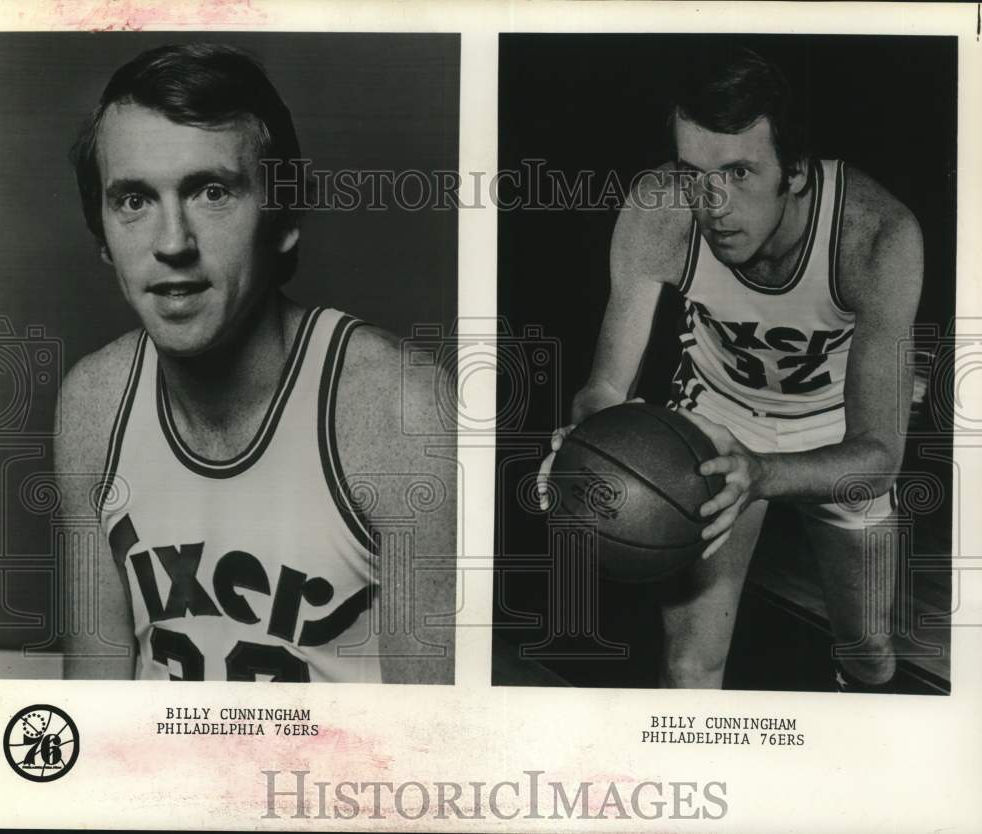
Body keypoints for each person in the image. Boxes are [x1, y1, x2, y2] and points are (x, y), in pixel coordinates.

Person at [55, 43, 455, 683]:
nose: (172, 243)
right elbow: (92, 705)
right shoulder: (93, 403)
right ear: (102, 235)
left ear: (285, 216)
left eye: (212, 192)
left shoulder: (401, 409)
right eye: (134, 200)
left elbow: (438, 744)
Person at [539, 47, 922, 691]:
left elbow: (879, 454)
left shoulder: (876, 237)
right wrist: (584, 447)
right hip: (713, 420)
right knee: (688, 668)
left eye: (739, 172)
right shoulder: (659, 212)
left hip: (839, 435)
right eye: (694, 172)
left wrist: (766, 473)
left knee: (870, 653)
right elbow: (605, 388)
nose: (711, 201)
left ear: (794, 172)